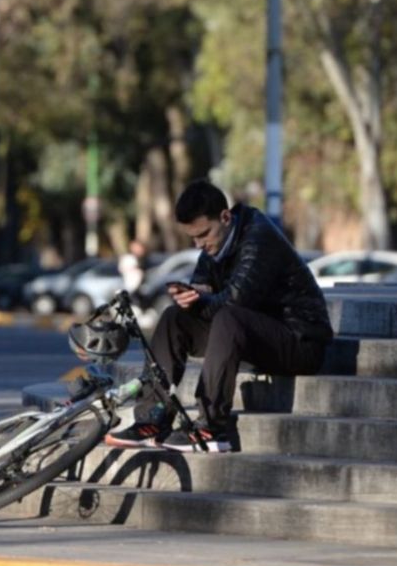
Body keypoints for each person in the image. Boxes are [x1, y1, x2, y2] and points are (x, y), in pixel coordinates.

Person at [104, 179, 334, 453]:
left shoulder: (259, 238)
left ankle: (211, 428)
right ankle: (151, 419)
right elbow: (204, 287)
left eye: (203, 234)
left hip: (300, 341)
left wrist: (202, 298)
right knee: (173, 317)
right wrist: (190, 296)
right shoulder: (216, 244)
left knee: (229, 317)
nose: (199, 244)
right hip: (254, 333)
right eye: (193, 238)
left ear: (225, 217)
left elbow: (236, 301)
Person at [118, 240, 148, 306]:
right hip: (131, 286)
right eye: (135, 247)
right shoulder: (128, 259)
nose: (138, 250)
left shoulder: (146, 260)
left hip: (141, 287)